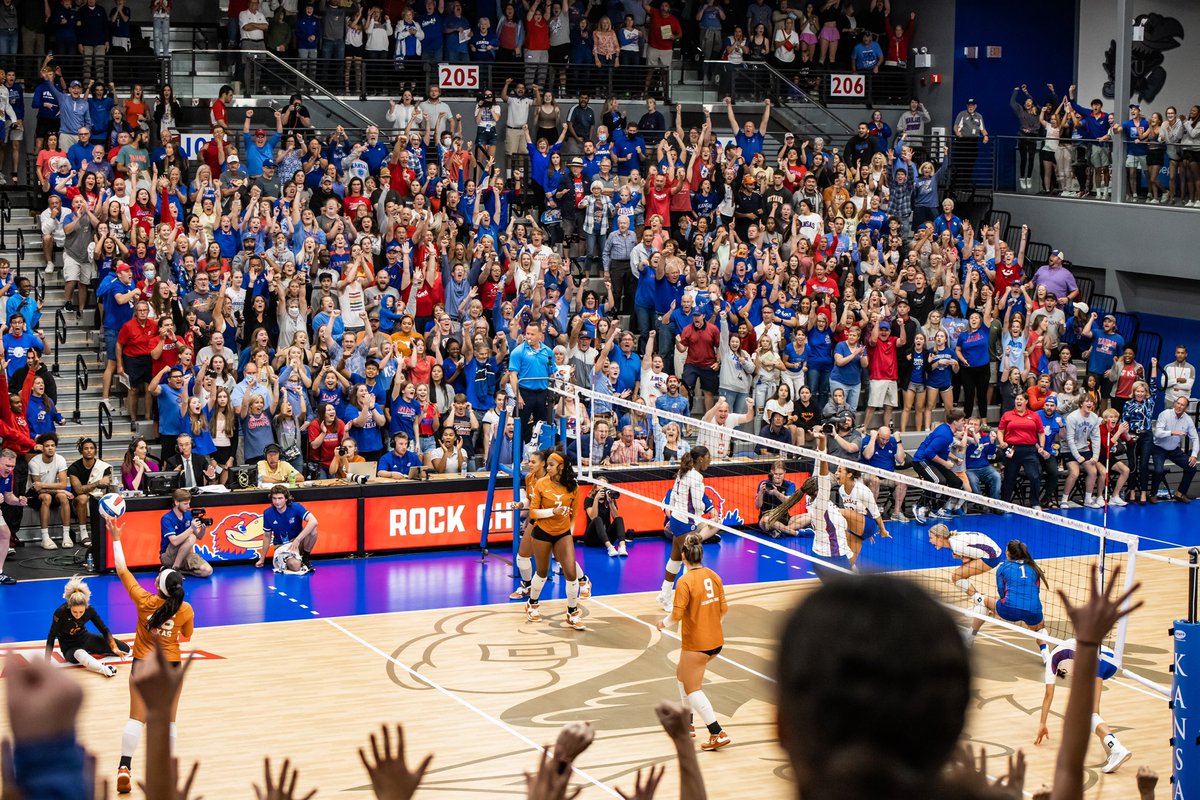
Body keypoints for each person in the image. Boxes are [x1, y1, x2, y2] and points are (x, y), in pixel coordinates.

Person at [107, 516, 195, 795]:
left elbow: (122, 570)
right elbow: (187, 636)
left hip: (143, 665)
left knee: (136, 718)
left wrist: (117, 539)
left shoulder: (145, 601)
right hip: (171, 667)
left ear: (158, 585)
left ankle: (124, 767)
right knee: (168, 720)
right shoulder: (186, 609)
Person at [656, 532, 730, 752]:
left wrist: (662, 623)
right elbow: (724, 609)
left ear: (683, 556)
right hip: (716, 640)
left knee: (692, 688)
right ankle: (687, 723)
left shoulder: (685, 581)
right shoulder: (713, 575)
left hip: (697, 644)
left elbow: (676, 616)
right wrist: (710, 622)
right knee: (681, 675)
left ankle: (717, 732)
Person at [1037, 636, 1133, 773]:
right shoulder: (1061, 658)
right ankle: (1112, 753)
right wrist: (1042, 645)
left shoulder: (1054, 660)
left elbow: (1048, 695)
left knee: (1090, 715)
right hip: (1110, 660)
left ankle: (1117, 749)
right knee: (1094, 715)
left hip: (1095, 659)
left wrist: (1042, 723)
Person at [525, 452, 585, 630]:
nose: (548, 468)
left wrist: (570, 534)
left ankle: (572, 612)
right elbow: (533, 513)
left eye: (551, 465)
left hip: (563, 533)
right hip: (542, 532)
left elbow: (574, 514)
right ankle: (532, 603)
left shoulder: (573, 487)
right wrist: (553, 512)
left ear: (561, 467)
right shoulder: (541, 483)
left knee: (571, 572)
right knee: (542, 572)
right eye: (547, 465)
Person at [967, 540, 1048, 661]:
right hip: (1033, 610)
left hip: (1009, 610)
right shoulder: (1034, 568)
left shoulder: (1003, 567)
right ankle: (1046, 655)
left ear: (1008, 553)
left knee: (984, 601)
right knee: (1040, 628)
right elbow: (1035, 592)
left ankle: (969, 638)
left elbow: (1002, 593)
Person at [658, 446, 715, 611]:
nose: (710, 460)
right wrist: (703, 513)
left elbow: (674, 497)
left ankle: (665, 594)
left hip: (677, 519)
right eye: (708, 457)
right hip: (686, 523)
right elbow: (698, 504)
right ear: (700, 459)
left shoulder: (682, 472)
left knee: (675, 559)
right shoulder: (696, 477)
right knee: (690, 563)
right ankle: (683, 601)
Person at [43, 575, 131, 676]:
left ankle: (91, 652)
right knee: (80, 654)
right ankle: (104, 669)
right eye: (74, 612)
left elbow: (104, 629)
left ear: (85, 607)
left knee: (125, 649)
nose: (78, 615)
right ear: (69, 606)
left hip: (85, 639)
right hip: (70, 648)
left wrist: (114, 647)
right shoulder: (60, 612)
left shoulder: (90, 610)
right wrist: (47, 660)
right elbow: (51, 635)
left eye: (81, 612)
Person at [926, 522, 1001, 613]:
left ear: (940, 538)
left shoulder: (957, 546)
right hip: (993, 551)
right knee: (959, 575)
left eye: (931, 538)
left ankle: (982, 604)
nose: (930, 541)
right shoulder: (953, 539)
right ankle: (981, 603)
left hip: (992, 557)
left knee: (957, 576)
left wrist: (961, 557)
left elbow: (972, 558)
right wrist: (961, 556)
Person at [911, 409, 967, 522]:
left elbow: (943, 450)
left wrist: (954, 458)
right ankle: (919, 507)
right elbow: (929, 453)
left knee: (956, 482)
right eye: (962, 421)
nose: (964, 423)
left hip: (933, 461)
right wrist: (945, 463)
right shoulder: (945, 435)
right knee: (938, 481)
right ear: (955, 422)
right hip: (921, 461)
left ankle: (935, 509)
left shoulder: (949, 433)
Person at [257, 484, 318, 574]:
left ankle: (305, 558)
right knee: (295, 565)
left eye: (280, 498)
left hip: (297, 542)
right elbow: (267, 536)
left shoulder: (296, 507)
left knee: (313, 529)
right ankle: (296, 560)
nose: (277, 502)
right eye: (274, 498)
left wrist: (297, 539)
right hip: (281, 545)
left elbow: (314, 521)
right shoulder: (268, 513)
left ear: (286, 499)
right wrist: (262, 559)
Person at [28, 432, 72, 551]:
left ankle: (66, 536)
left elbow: (63, 484)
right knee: (47, 497)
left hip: (52, 491)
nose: (51, 448)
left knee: (63, 497)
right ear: (42, 447)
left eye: (53, 445)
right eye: (47, 446)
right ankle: (45, 537)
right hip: (34, 495)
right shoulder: (34, 462)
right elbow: (37, 489)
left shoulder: (60, 459)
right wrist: (61, 490)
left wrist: (60, 491)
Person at [1151, 394, 1198, 503]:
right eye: (1178, 403)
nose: (1179, 406)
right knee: (1158, 471)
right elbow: (1157, 433)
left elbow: (1195, 438)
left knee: (1192, 467)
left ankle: (1180, 493)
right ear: (1174, 404)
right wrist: (1172, 432)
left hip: (1174, 450)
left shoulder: (1188, 420)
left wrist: (1194, 455)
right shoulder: (1165, 414)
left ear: (1186, 408)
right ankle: (1153, 494)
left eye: (1182, 405)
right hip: (1159, 448)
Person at [158, 488, 213, 578]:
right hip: (168, 555)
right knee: (191, 537)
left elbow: (199, 537)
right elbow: (174, 541)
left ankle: (175, 570)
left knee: (207, 570)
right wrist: (191, 528)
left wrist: (203, 529)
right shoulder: (167, 518)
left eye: (189, 503)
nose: (188, 506)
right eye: (185, 504)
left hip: (185, 553)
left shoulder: (188, 515)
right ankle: (175, 568)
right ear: (176, 502)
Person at [67, 437, 111, 547]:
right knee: (83, 498)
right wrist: (97, 483)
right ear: (81, 451)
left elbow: (106, 485)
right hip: (77, 504)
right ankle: (83, 532)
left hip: (97, 499)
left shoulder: (103, 467)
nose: (89, 450)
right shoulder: (74, 468)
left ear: (95, 450)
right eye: (86, 448)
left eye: (91, 448)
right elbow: (78, 490)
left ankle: (107, 531)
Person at [0, 448, 27, 583]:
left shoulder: (9, 476)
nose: (10, 469)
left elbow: (8, 497)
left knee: (5, 534)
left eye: (12, 466)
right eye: (7, 465)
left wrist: (18, 501)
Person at [584, 484, 627, 557]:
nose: (603, 487)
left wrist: (611, 502)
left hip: (607, 537)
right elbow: (593, 517)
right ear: (595, 487)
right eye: (600, 485)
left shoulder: (609, 499)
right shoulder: (589, 499)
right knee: (597, 519)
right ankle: (610, 547)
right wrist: (596, 499)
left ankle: (622, 547)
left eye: (605, 485)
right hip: (592, 539)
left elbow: (615, 517)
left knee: (619, 519)